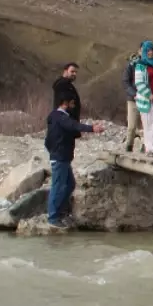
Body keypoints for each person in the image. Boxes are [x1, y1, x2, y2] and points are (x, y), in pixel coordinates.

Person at [44, 96, 103, 228]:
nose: (74, 106)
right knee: (58, 186)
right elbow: (74, 125)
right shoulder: (61, 117)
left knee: (70, 184)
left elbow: (47, 141)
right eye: (72, 103)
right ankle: (53, 217)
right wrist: (92, 128)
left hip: (61, 157)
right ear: (65, 103)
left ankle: (61, 212)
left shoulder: (55, 117)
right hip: (60, 158)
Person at [121, 50, 141, 152]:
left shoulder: (149, 64)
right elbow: (125, 81)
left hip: (146, 99)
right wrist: (134, 93)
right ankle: (129, 147)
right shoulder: (131, 65)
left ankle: (146, 149)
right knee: (131, 127)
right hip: (133, 99)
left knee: (147, 127)